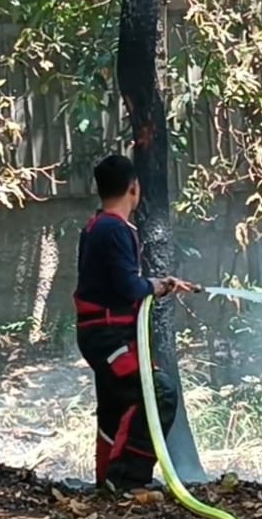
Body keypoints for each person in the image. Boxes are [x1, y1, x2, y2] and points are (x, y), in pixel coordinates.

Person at [73, 154, 199, 492]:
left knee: (116, 403)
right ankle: (128, 479)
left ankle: (108, 480)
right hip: (108, 336)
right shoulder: (114, 229)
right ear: (134, 188)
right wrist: (156, 287)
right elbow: (130, 287)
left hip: (103, 334)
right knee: (158, 392)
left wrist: (159, 282)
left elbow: (120, 280)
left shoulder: (98, 226)